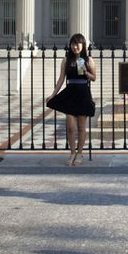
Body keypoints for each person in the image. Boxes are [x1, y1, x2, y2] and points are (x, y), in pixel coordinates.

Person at [46, 33, 96, 166]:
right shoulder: (66, 60)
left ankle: (80, 153)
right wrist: (53, 94)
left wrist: (86, 72)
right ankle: (72, 152)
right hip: (70, 93)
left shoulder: (88, 59)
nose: (75, 47)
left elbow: (94, 77)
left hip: (83, 93)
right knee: (70, 127)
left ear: (83, 45)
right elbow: (61, 79)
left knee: (81, 127)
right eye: (73, 44)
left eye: (78, 44)